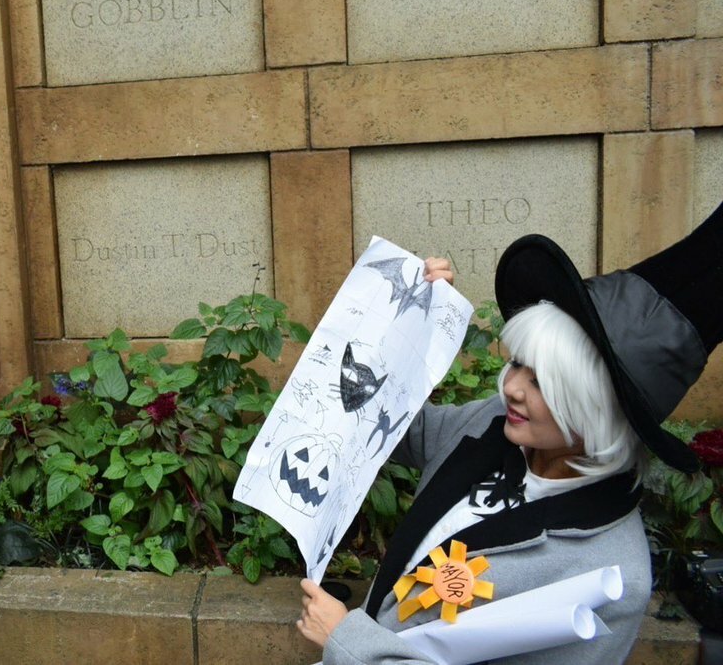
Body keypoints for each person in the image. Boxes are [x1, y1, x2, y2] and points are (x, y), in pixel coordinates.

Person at [297, 207, 723, 664]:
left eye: (541, 382)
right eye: (518, 362)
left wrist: (347, 642)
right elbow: (393, 428)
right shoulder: (494, 423)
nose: (512, 387)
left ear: (601, 410)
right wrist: (406, 325)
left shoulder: (613, 575)